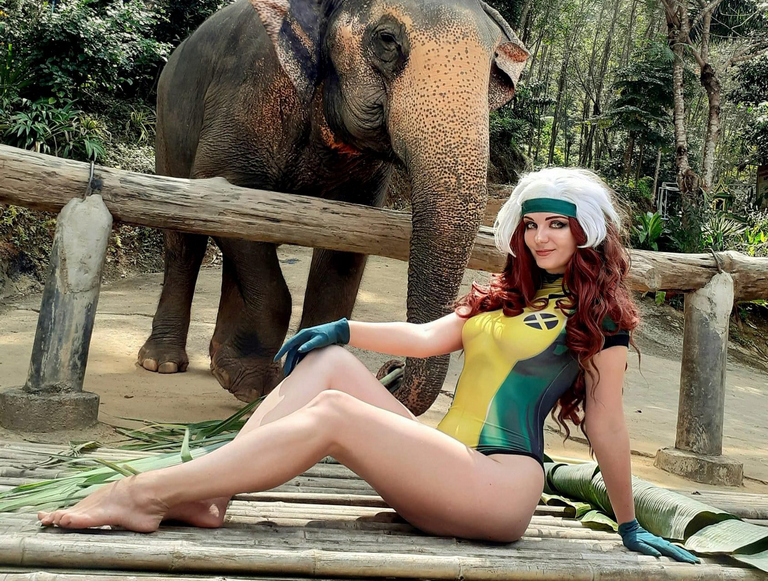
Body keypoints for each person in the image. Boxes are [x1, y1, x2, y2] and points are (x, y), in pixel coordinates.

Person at [37, 166, 697, 562]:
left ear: (584, 229)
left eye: (556, 224)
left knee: (333, 412)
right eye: (530, 225)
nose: (541, 236)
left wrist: (630, 524)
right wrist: (344, 326)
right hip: (443, 467)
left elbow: (607, 425)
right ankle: (211, 495)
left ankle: (144, 495)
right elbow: (431, 336)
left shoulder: (598, 318)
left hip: (495, 491)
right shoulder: (511, 298)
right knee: (328, 366)